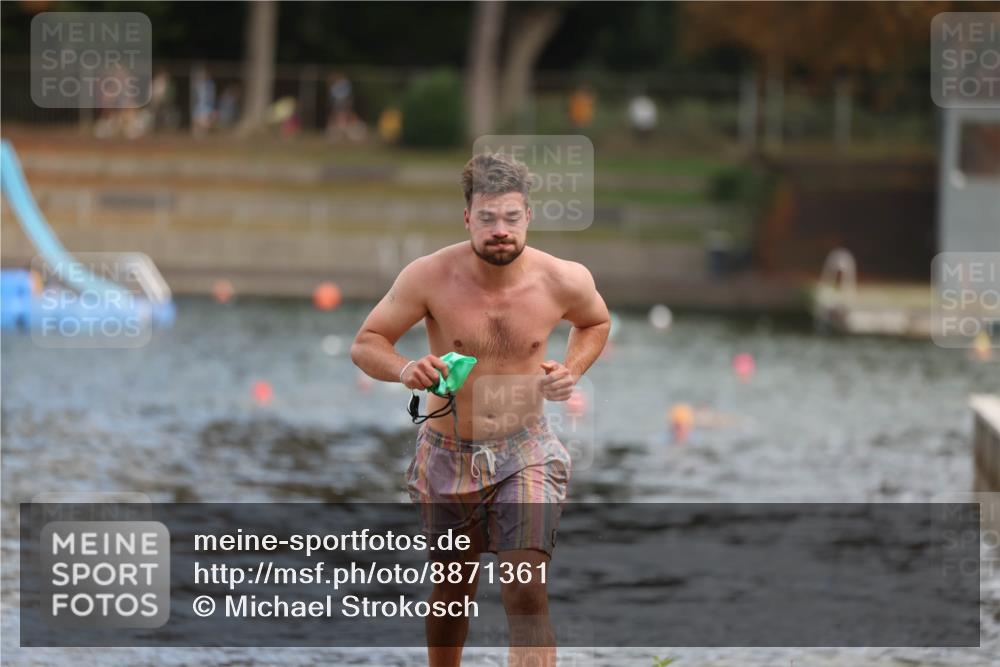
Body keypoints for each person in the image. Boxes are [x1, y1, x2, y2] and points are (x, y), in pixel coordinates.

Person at [351, 152, 610, 667]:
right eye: (488, 218)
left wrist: (572, 371)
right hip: (447, 453)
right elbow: (367, 342)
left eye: (511, 218)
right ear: (468, 217)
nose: (500, 231)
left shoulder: (563, 279)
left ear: (528, 218)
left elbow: (596, 323)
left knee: (524, 587)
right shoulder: (429, 277)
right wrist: (405, 370)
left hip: (526, 451)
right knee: (451, 594)